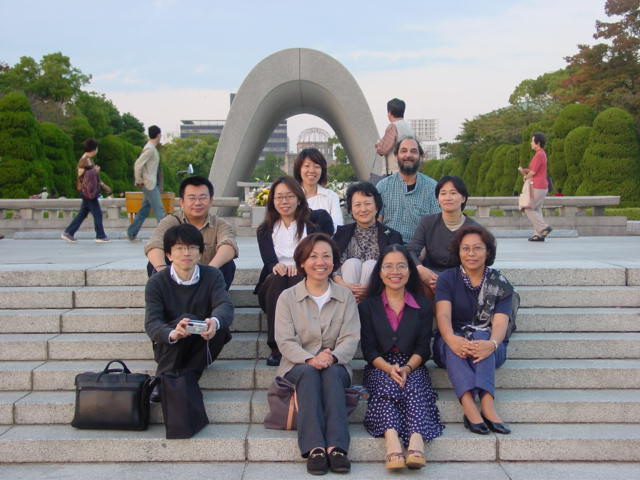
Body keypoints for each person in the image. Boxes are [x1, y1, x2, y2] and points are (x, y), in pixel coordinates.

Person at [274, 233, 360, 475]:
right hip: (297, 365)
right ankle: (314, 448)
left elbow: (350, 337)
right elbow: (285, 340)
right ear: (302, 262)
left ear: (334, 262)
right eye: (313, 256)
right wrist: (311, 359)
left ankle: (336, 447)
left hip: (336, 364)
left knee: (332, 374)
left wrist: (331, 357)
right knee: (309, 374)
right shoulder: (287, 297)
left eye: (326, 256)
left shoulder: (345, 296)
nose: (320, 262)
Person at [359, 244, 444, 470]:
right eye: (388, 266)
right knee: (386, 389)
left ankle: (416, 441)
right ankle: (392, 440)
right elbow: (368, 350)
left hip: (412, 364)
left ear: (410, 271)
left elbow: (423, 349)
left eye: (401, 266)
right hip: (379, 365)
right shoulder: (368, 306)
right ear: (379, 271)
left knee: (415, 388)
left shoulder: (423, 306)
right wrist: (388, 368)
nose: (394, 272)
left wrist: (406, 368)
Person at [434, 224, 514, 435]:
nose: (471, 254)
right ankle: (469, 405)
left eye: (477, 248)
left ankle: (487, 404)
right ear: (458, 251)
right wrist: (451, 338)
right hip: (451, 342)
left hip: (491, 345)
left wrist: (492, 344)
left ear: (487, 251)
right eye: (465, 248)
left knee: (481, 335)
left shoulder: (500, 283)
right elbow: (442, 314)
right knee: (455, 346)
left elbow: (499, 323)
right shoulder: (447, 278)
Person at [144, 223, 233, 401]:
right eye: (180, 248)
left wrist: (213, 322)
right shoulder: (157, 282)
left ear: (200, 253)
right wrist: (173, 333)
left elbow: (224, 305)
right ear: (168, 254)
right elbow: (152, 322)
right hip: (170, 345)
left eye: (192, 247)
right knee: (186, 320)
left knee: (219, 326)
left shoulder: (212, 275)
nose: (186, 253)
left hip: (202, 342)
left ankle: (167, 381)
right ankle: (178, 380)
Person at [256, 176, 334, 367]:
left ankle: (304, 343)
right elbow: (269, 263)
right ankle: (277, 347)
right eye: (279, 197)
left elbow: (324, 251)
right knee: (278, 278)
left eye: (289, 196)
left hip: (308, 278)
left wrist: (300, 266)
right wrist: (276, 266)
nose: (284, 202)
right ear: (272, 201)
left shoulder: (317, 219)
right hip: (274, 286)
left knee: (297, 277)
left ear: (299, 198)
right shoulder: (265, 229)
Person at [145, 176, 238, 290]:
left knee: (228, 264)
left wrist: (208, 272)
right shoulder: (170, 222)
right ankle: (167, 301)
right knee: (153, 263)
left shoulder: (220, 224)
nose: (197, 203)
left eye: (203, 197)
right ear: (182, 201)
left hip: (207, 285)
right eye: (192, 198)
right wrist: (163, 272)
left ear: (211, 201)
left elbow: (229, 245)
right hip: (174, 283)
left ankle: (212, 301)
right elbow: (154, 244)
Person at [407, 175, 478, 296]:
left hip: (461, 278)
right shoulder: (427, 222)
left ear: (463, 198)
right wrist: (420, 269)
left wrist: (447, 280)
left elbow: (478, 262)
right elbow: (411, 251)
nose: (448, 198)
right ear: (437, 199)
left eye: (453, 193)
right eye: (443, 193)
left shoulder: (474, 228)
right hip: (431, 276)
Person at [332, 181, 402, 303]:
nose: (363, 209)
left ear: (376, 207)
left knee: (371, 265)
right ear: (351, 209)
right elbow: (332, 264)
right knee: (351, 263)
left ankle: (360, 312)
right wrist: (343, 284)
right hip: (345, 290)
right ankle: (352, 309)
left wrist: (372, 287)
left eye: (367, 204)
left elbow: (395, 269)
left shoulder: (392, 236)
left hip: (377, 292)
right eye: (357, 205)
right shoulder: (341, 233)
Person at [376, 137, 441, 244]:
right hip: (389, 247)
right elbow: (377, 222)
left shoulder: (432, 188)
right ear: (396, 155)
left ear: (421, 156)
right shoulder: (383, 186)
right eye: (403, 151)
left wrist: (423, 250)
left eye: (414, 151)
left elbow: (436, 227)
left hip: (420, 249)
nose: (408, 155)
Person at [61, 138, 112, 243]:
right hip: (88, 192)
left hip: (86, 191)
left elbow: (90, 175)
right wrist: (95, 171)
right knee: (97, 213)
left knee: (83, 213)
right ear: (93, 149)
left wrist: (102, 184)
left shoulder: (88, 159)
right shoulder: (85, 160)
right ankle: (100, 235)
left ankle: (69, 232)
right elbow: (82, 175)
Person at [127, 125, 166, 241]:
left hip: (150, 183)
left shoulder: (151, 148)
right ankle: (164, 236)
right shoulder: (150, 149)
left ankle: (131, 233)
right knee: (159, 210)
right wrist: (138, 180)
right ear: (158, 135)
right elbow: (138, 164)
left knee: (144, 211)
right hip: (149, 184)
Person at [294, 148, 343, 231]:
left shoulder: (331, 197)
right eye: (307, 166)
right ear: (299, 169)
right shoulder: (292, 196)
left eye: (317, 166)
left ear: (322, 170)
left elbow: (337, 226)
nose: (312, 171)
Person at [519, 132, 552, 242]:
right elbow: (535, 170)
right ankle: (539, 235)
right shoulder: (541, 154)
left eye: (532, 141)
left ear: (537, 143)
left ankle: (543, 228)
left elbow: (533, 173)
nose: (531, 143)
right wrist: (526, 171)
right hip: (541, 185)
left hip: (537, 185)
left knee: (528, 208)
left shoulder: (539, 154)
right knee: (536, 210)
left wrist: (525, 176)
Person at [375, 98, 415, 174]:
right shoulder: (409, 128)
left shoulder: (393, 127)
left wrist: (378, 145)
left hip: (394, 171)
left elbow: (383, 150)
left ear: (389, 113)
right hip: (408, 170)